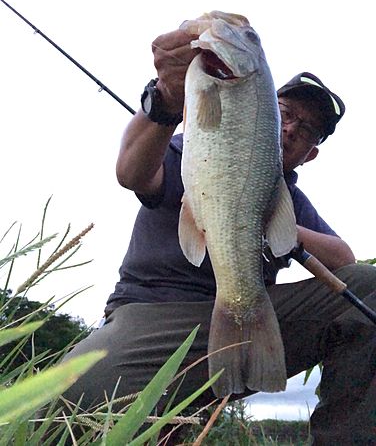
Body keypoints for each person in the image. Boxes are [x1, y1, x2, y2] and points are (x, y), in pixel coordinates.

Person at [61, 27, 376, 445]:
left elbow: (344, 258)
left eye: (308, 130)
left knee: (370, 289)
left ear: (312, 152)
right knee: (63, 407)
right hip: (154, 314)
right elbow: (132, 173)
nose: (291, 129)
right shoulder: (188, 149)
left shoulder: (290, 199)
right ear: (264, 108)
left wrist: (277, 225)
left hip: (246, 323)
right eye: (285, 112)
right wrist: (165, 103)